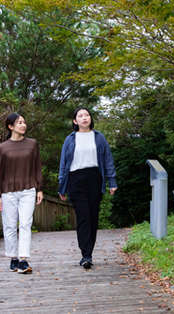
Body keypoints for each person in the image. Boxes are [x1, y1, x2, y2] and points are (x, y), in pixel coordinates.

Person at [58, 107, 117, 269]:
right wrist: (61, 186)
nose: (84, 118)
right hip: (75, 180)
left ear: (90, 119)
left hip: (94, 178)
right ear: (75, 121)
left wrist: (112, 182)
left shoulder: (99, 138)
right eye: (80, 116)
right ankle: (86, 255)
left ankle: (88, 251)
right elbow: (63, 164)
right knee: (83, 216)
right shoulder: (70, 139)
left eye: (87, 115)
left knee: (93, 217)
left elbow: (107, 160)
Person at [0, 112, 43, 274]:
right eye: (19, 122)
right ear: (10, 126)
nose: (23, 125)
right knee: (9, 225)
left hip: (28, 190)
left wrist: (40, 189)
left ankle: (23, 259)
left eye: (24, 122)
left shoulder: (32, 144)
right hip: (8, 192)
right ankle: (13, 258)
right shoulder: (3, 148)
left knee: (25, 223)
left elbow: (37, 167)